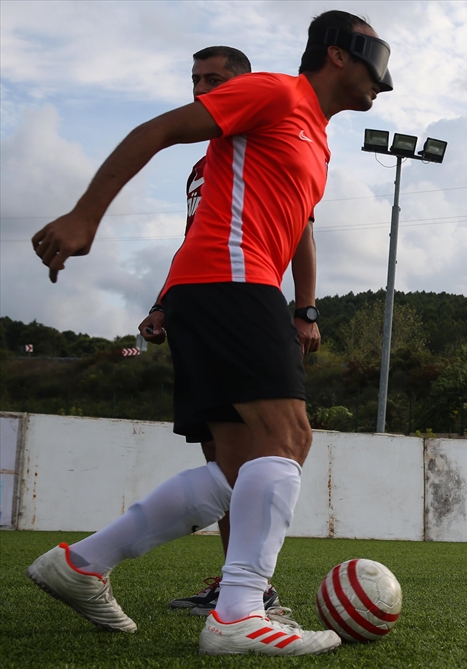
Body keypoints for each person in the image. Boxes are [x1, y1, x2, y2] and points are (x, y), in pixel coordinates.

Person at [27, 10, 392, 655]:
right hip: (231, 284)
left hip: (226, 291)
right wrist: (86, 217)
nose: (382, 80)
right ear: (338, 54)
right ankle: (239, 613)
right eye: (375, 60)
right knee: (288, 438)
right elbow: (159, 128)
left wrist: (305, 308)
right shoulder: (277, 91)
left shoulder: (319, 138)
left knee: (236, 467)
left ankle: (82, 563)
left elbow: (299, 226)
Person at [132, 45, 317, 624]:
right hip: (200, 298)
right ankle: (231, 585)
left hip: (248, 293)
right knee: (222, 452)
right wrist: (165, 300)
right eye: (196, 79)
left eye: (216, 79)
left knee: (274, 444)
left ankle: (252, 588)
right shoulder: (202, 162)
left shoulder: (268, 129)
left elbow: (302, 233)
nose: (203, 88)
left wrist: (306, 309)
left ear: (243, 84)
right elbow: (196, 237)